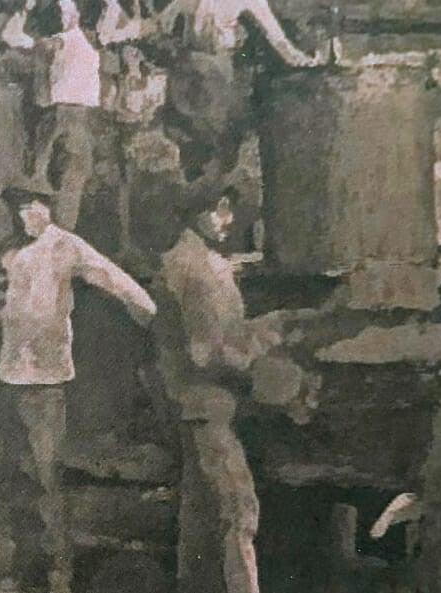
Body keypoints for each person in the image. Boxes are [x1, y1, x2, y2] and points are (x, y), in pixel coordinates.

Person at [0, 185, 156, 592]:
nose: (24, 216)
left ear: (47, 207)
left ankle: (57, 570)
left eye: (32, 207)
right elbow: (1, 300)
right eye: (18, 208)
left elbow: (111, 276)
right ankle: (25, 567)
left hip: (47, 382)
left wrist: (151, 312)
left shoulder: (66, 246)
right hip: (9, 376)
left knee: (48, 478)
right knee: (16, 479)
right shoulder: (9, 251)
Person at [151, 185, 314, 593]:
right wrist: (270, 370)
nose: (227, 219)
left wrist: (269, 326)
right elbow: (208, 353)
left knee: (200, 522)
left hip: (200, 404)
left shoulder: (201, 262)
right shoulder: (193, 268)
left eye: (228, 210)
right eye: (218, 209)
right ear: (195, 212)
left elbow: (224, 334)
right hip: (207, 404)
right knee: (238, 510)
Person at [3, 0, 102, 231]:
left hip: (60, 116)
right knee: (68, 189)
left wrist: (25, 9)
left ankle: (48, 236)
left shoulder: (54, 45)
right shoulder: (85, 43)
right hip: (81, 119)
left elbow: (10, 36)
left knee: (42, 184)